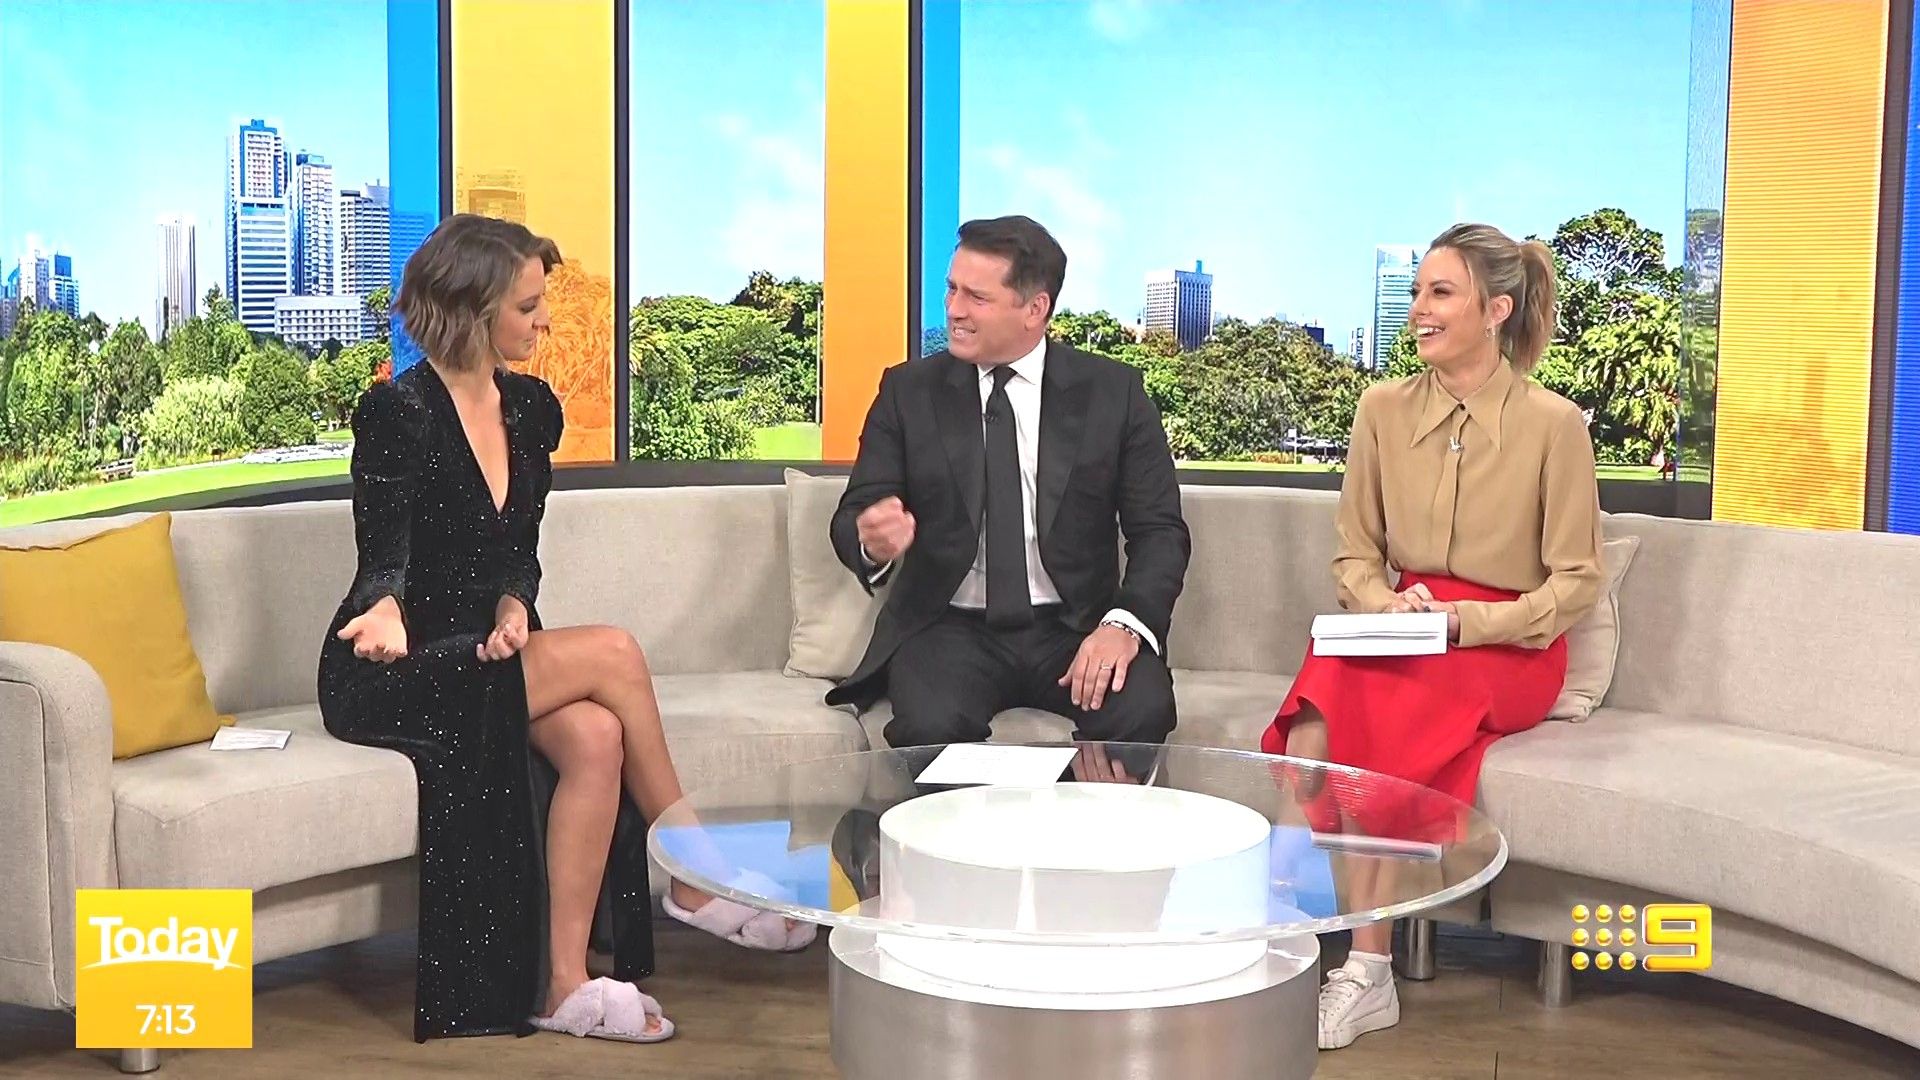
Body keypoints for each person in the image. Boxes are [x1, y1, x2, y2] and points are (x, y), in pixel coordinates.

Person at [317, 214, 811, 1047]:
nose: (545, 320)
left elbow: (519, 555)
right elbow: (383, 557)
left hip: (493, 649)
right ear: (471, 310)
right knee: (614, 651)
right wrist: (388, 608)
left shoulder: (527, 409)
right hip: (399, 667)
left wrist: (515, 609)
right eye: (527, 306)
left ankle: (563, 982)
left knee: (595, 737)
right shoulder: (398, 411)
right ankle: (697, 873)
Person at [1263, 223, 1603, 1050]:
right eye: (1417, 291)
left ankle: (1366, 970)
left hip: (1506, 646)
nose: (1419, 308)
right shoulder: (1380, 411)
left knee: (1384, 708)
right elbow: (1354, 557)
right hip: (1400, 623)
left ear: (1496, 310)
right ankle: (1281, 936)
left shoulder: (1554, 425)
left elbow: (1574, 585)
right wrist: (1383, 607)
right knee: (1317, 708)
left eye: (1440, 293)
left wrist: (1461, 621)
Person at [826, 215, 1191, 762]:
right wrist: (870, 541)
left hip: (1075, 625)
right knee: (929, 723)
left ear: (1034, 309)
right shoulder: (908, 391)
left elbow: (1159, 532)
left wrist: (1123, 626)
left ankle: (1089, 820)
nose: (954, 309)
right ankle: (969, 822)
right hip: (950, 627)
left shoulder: (1113, 394)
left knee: (1141, 708)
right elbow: (854, 512)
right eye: (951, 289)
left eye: (976, 297)